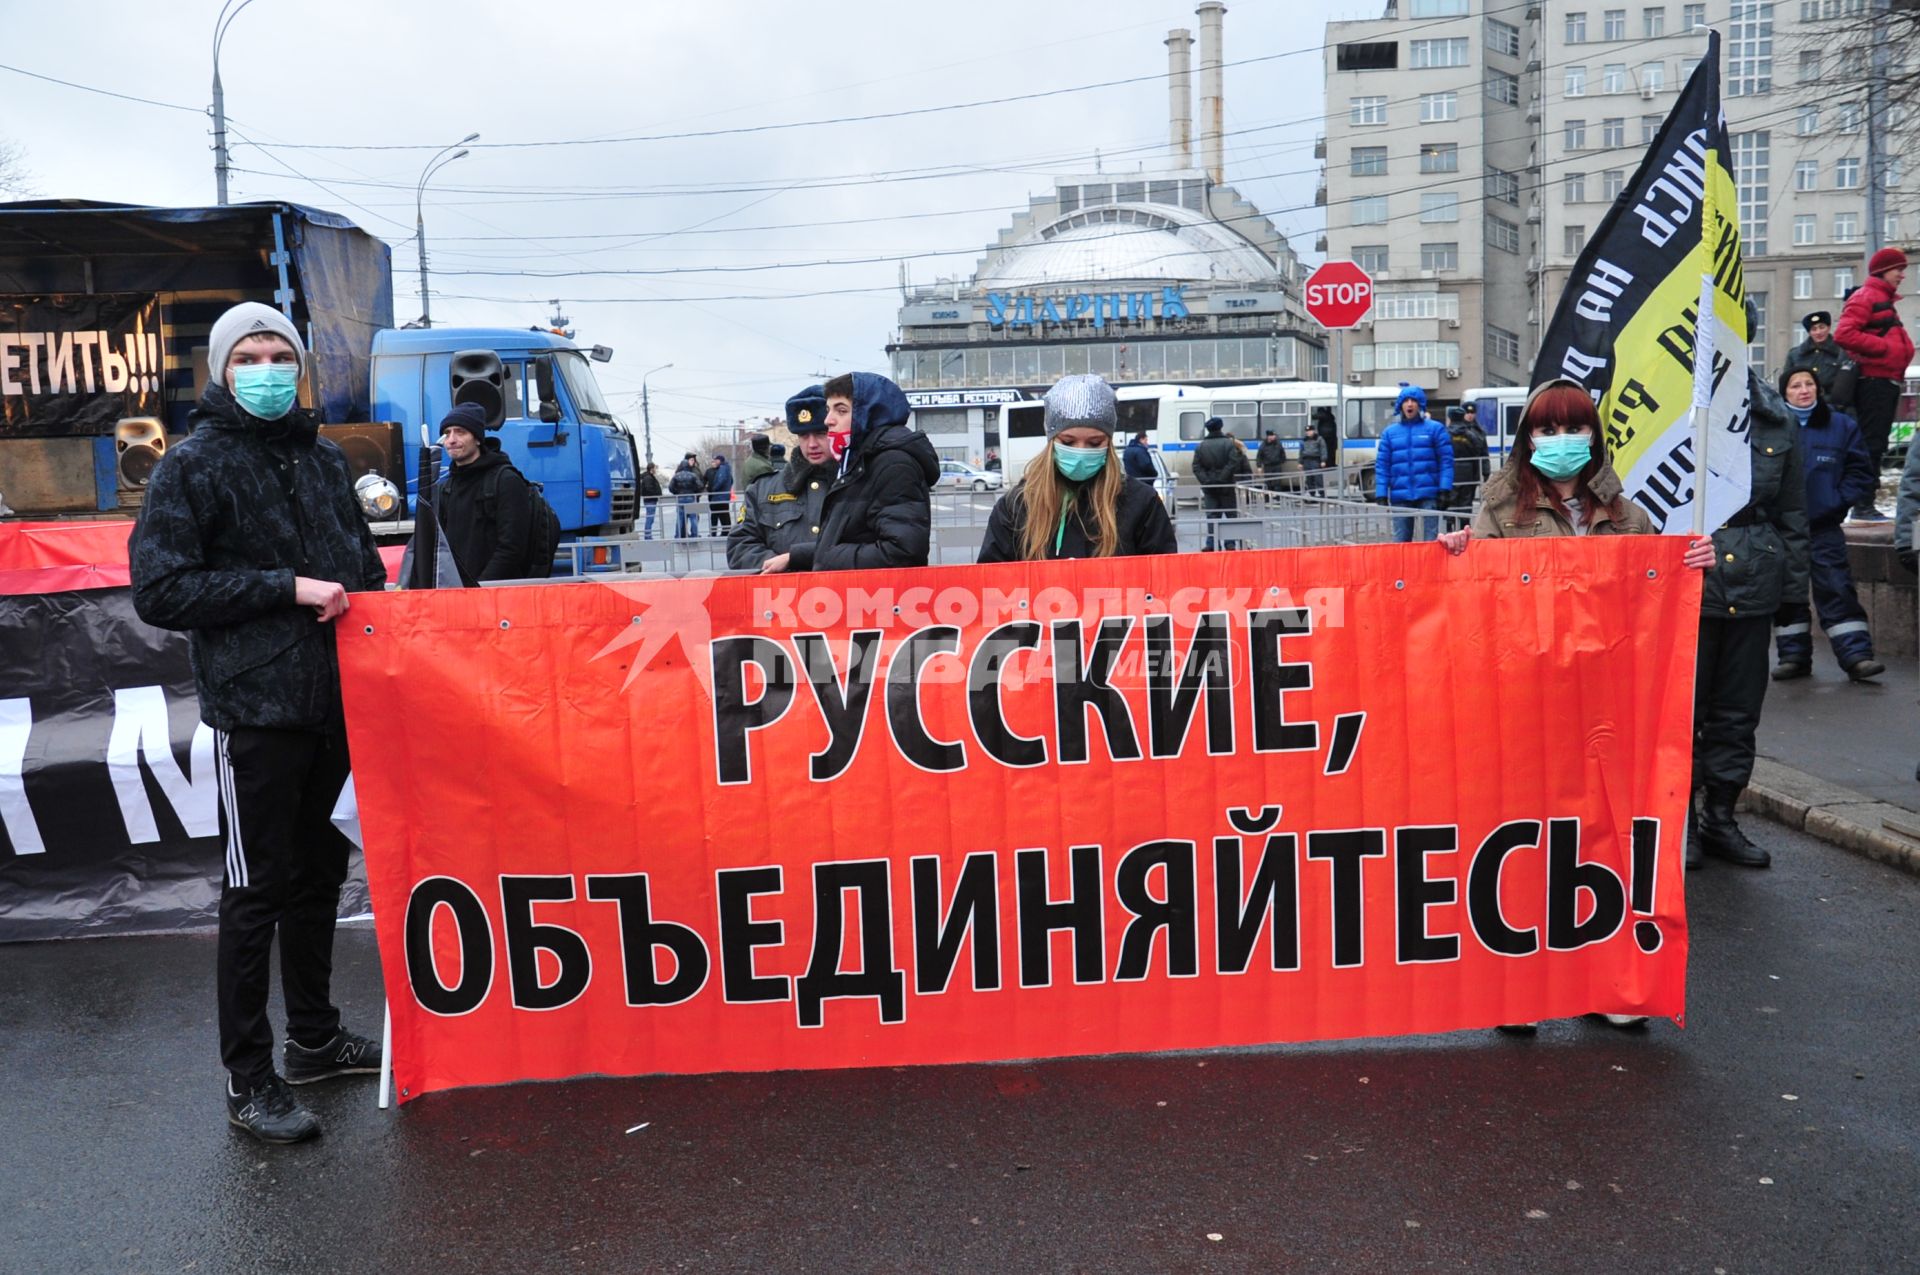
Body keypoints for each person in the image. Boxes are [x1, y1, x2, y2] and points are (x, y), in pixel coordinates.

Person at [128, 301, 388, 1144]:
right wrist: (286, 586)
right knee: (256, 893)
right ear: (222, 368)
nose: (269, 368)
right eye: (251, 355)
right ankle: (249, 1078)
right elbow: (162, 590)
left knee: (319, 881)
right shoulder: (192, 467)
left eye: (281, 353)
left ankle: (314, 1038)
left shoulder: (323, 459)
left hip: (334, 708)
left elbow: (357, 569)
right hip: (257, 712)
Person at [1439, 380, 1716, 1030]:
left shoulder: (1626, 512)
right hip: (1528, 700)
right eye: (1547, 429)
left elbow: (1657, 587)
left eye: (1573, 428)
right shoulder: (1501, 507)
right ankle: (1522, 985)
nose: (1561, 441)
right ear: (1527, 438)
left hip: (1609, 703)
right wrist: (1457, 557)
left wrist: (1694, 557)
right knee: (1527, 838)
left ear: (1593, 435)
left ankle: (1608, 982)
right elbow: (1477, 599)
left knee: (1603, 839)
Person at [1694, 371, 1812, 869]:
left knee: (1738, 714)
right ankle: (1675, 820)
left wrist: (1792, 598)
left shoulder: (1775, 418)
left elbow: (1792, 515)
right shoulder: (1668, 409)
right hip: (1686, 581)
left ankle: (1719, 817)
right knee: (1682, 717)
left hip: (1755, 579)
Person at [978, 375, 1178, 562]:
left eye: (1094, 442)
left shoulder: (1141, 503)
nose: (1080, 452)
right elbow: (992, 584)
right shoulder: (1016, 506)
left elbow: (1164, 582)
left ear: (1108, 443)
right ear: (1051, 441)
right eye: (1068, 441)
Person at [760, 371, 938, 573]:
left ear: (869, 415)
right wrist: (799, 556)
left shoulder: (893, 464)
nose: (828, 420)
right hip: (860, 596)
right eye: (828, 410)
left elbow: (902, 552)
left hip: (878, 599)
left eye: (841, 411)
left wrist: (825, 557)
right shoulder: (858, 461)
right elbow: (848, 539)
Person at [1770, 368, 1882, 681]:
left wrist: (1836, 501)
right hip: (1783, 530)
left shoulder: (1841, 426)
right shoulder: (1774, 427)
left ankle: (1857, 656)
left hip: (1823, 527)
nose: (1803, 390)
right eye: (1795, 385)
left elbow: (1861, 472)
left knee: (1836, 589)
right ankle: (1793, 657)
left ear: (1818, 389)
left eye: (1809, 384)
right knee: (1787, 595)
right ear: (1785, 393)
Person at [1834, 246, 1913, 520]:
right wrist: (1882, 349)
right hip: (1874, 381)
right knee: (1872, 444)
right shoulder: (1867, 296)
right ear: (1883, 270)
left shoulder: (1882, 299)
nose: (1902, 275)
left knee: (1875, 444)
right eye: (1898, 269)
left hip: (1884, 380)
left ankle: (1865, 503)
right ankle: (1863, 505)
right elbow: (1844, 333)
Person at [729, 386, 834, 570]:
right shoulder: (763, 489)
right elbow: (740, 547)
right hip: (783, 596)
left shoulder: (857, 484)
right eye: (803, 435)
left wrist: (796, 558)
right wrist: (782, 569)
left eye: (821, 434)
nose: (812, 444)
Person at [433, 401, 533, 586]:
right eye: (447, 433)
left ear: (478, 438)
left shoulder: (506, 481)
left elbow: (512, 549)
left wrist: (480, 589)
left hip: (495, 596)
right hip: (455, 595)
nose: (451, 440)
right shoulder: (445, 487)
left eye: (460, 432)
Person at [1375, 385, 1453, 542]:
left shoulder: (1435, 429)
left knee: (1431, 542)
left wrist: (1445, 488)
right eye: (1406, 401)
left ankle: (1430, 567)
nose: (1410, 404)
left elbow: (1446, 460)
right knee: (1401, 543)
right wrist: (1381, 492)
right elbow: (1382, 465)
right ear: (1400, 405)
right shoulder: (1389, 433)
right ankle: (1403, 568)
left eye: (1414, 400)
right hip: (1400, 496)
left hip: (1429, 495)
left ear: (1420, 404)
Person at [1192, 416, 1251, 550]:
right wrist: (1222, 478)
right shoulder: (1229, 444)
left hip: (1209, 487)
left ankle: (1212, 544)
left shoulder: (1201, 446)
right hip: (1226, 485)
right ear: (1220, 427)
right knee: (1230, 514)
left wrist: (1207, 480)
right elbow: (1232, 463)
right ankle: (1230, 543)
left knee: (1212, 516)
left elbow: (1196, 467)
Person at [1781, 310, 1858, 411]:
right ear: (1809, 332)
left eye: (1822, 327)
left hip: (1835, 407)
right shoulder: (1795, 354)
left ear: (1829, 328)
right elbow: (1787, 382)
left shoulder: (1843, 352)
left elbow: (1847, 384)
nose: (1818, 332)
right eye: (1814, 329)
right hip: (1804, 406)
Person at [1445, 403, 1489, 513]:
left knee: (1456, 502)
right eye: (1467, 413)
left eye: (1472, 412)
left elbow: (1483, 452)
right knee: (1464, 502)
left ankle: (1457, 526)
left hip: (1463, 472)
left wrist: (1485, 471)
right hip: (1468, 472)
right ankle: (1463, 526)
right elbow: (1479, 450)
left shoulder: (1478, 431)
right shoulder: (1472, 434)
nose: (1470, 415)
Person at [668, 452, 703, 538]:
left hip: (680, 498)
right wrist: (694, 492)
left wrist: (677, 492)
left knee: (680, 518)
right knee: (693, 517)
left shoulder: (677, 475)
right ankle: (695, 534)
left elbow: (670, 487)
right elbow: (700, 486)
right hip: (691, 498)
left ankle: (678, 535)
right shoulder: (692, 475)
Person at [1311, 405, 1341, 495]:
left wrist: (1310, 414)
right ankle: (1330, 465)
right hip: (1331, 438)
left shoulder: (1324, 415)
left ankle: (1329, 465)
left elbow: (1315, 416)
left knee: (1327, 452)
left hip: (1326, 437)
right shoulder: (1331, 418)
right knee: (1331, 453)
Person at [706, 451, 735, 536]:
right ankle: (725, 531)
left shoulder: (722, 468)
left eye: (716, 460)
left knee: (718, 514)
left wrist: (713, 489)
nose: (714, 461)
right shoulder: (726, 468)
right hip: (724, 495)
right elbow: (731, 480)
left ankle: (719, 532)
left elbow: (721, 481)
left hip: (719, 496)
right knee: (724, 514)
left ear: (719, 460)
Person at [1256, 428, 1289, 492]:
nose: (1274, 436)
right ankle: (1268, 498)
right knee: (1268, 483)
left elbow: (1282, 453)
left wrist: (1281, 461)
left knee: (1277, 483)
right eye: (1273, 435)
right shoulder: (1263, 445)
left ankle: (1277, 498)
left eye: (1274, 435)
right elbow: (1259, 456)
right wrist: (1259, 466)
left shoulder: (1278, 443)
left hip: (1277, 466)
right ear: (1269, 436)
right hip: (1268, 466)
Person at [637, 461, 663, 540]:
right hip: (650, 500)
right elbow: (649, 489)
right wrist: (657, 494)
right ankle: (648, 536)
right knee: (650, 518)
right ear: (651, 469)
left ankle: (648, 535)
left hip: (650, 500)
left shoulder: (648, 476)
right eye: (655, 468)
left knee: (650, 518)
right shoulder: (648, 477)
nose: (656, 469)